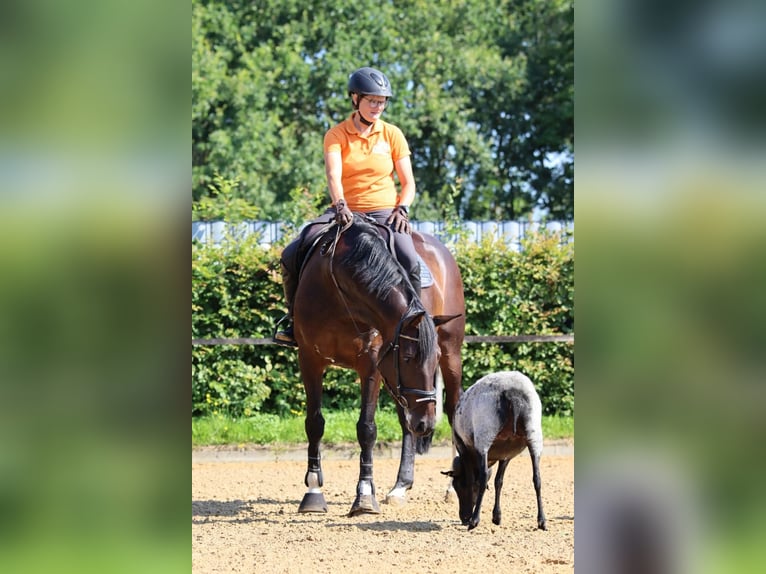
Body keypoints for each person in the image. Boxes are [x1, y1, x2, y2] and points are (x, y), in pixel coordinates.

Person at [273, 66, 420, 347]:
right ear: (355, 98)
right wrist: (340, 204)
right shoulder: (336, 134)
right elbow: (333, 174)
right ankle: (293, 322)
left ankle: (417, 321)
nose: (379, 107)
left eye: (382, 102)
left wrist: (403, 207)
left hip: (385, 212)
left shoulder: (392, 135)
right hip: (345, 211)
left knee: (410, 259)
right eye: (373, 101)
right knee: (292, 252)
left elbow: (408, 182)